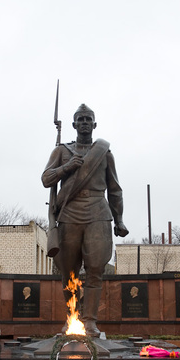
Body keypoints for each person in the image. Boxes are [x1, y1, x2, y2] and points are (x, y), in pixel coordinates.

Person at [42, 103, 128, 337]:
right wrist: (67, 167)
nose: (84, 122)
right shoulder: (62, 151)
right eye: (80, 119)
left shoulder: (104, 152)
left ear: (94, 124)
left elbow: (115, 189)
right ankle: (71, 320)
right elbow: (46, 179)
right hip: (69, 213)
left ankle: (89, 322)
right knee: (69, 272)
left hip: (98, 214)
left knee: (94, 271)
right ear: (73, 124)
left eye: (88, 119)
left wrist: (119, 219)